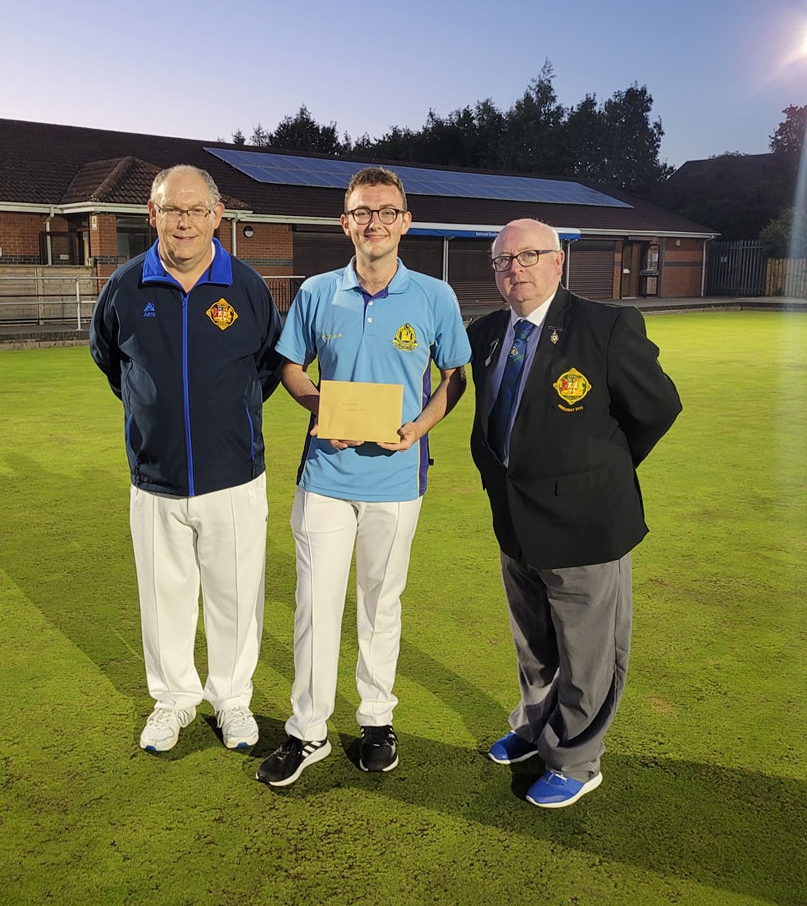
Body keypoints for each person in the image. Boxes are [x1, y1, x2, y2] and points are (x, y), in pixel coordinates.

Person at [256, 167, 471, 787]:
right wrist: (322, 406)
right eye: (361, 212)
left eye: (386, 211)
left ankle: (376, 719)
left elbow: (454, 377)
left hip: (398, 480)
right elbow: (291, 364)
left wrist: (417, 430)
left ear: (406, 221)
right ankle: (308, 730)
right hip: (324, 477)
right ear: (344, 222)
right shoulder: (319, 291)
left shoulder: (435, 297)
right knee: (314, 606)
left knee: (381, 605)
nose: (373, 222)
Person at [467, 218, 682, 808]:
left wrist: (599, 471)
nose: (517, 268)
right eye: (505, 260)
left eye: (530, 255)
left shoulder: (606, 326)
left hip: (587, 525)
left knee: (588, 649)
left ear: (558, 261)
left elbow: (658, 409)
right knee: (534, 642)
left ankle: (578, 758)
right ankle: (536, 728)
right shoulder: (487, 332)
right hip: (515, 522)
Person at [89, 165, 283, 755]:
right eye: (173, 210)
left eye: (197, 211)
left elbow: (268, 368)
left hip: (235, 479)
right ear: (153, 215)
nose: (185, 223)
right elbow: (110, 362)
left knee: (235, 597)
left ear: (218, 216)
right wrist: (157, 415)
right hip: (155, 481)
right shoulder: (124, 287)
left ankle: (232, 701)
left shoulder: (248, 287)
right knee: (164, 597)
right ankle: (173, 700)